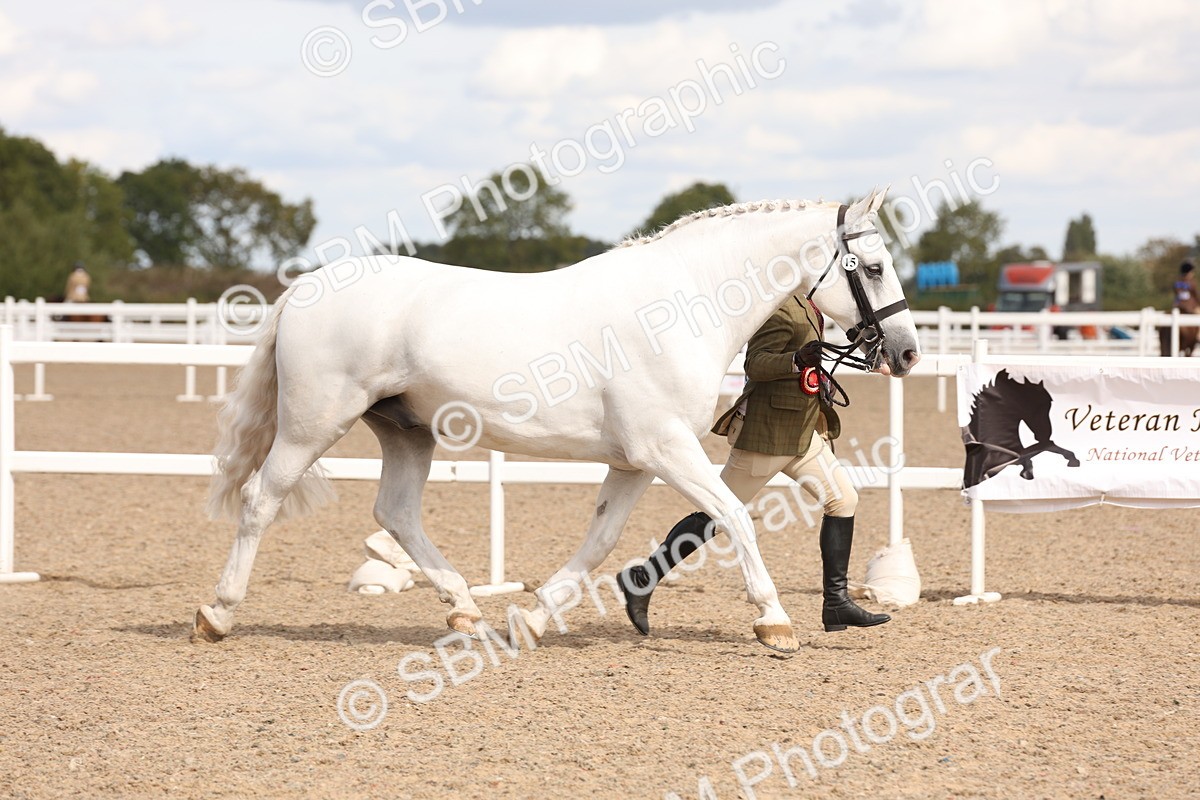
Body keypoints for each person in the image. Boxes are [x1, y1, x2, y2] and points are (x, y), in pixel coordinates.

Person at [616, 295, 890, 640]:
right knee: (715, 516)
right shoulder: (778, 306)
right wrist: (794, 360)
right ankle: (642, 579)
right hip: (769, 434)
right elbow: (756, 364)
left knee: (843, 500)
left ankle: (836, 602)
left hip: (804, 433)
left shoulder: (810, 303)